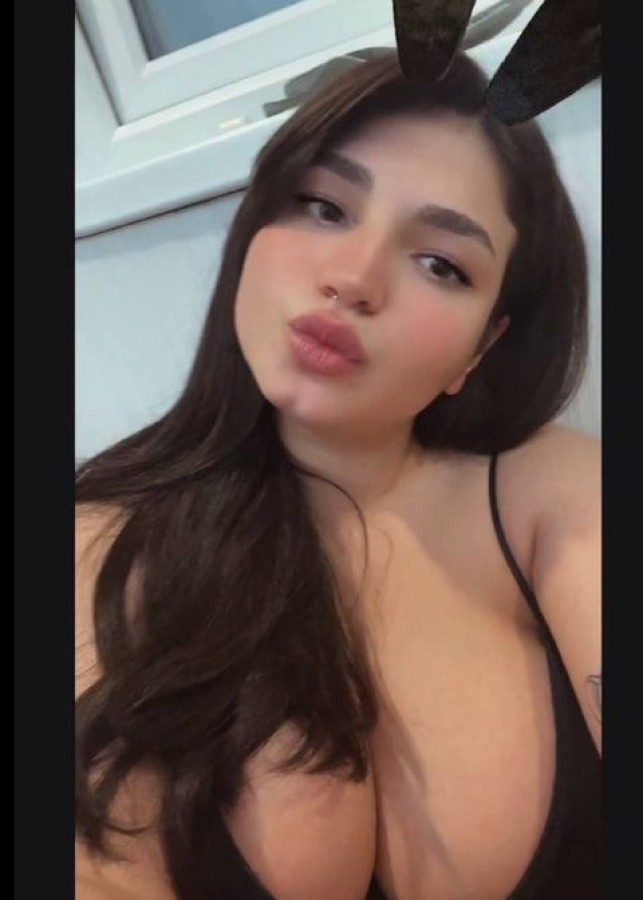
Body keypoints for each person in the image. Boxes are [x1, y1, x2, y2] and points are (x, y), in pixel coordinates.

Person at [75, 47, 601, 900]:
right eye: (323, 207)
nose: (353, 280)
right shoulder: (95, 542)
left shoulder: (550, 492)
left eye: (440, 263)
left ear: (482, 345)